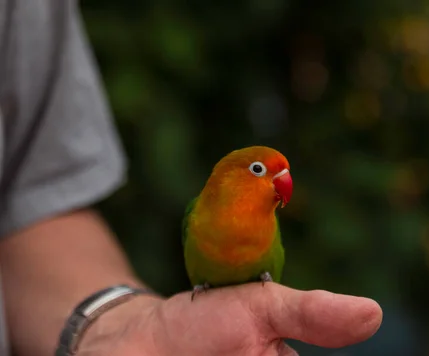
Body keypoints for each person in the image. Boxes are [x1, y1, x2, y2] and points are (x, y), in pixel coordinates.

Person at [0, 1, 383, 355]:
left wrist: (114, 332)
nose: (278, 180)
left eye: (279, 173)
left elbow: (37, 202)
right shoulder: (196, 215)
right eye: (259, 170)